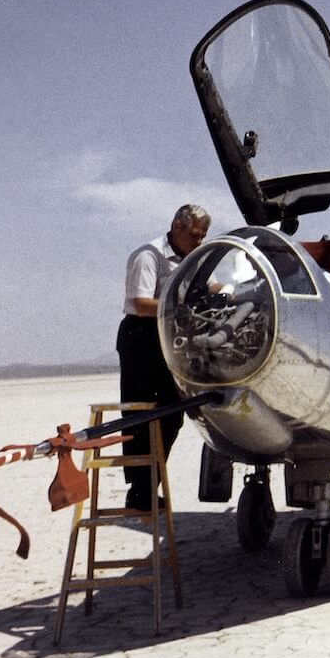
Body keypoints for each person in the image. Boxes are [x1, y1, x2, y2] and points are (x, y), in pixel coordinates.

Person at [118, 204, 210, 511]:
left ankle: (149, 484)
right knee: (141, 413)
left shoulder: (190, 259)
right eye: (195, 235)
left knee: (172, 414)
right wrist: (176, 308)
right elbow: (139, 302)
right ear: (177, 226)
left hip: (168, 337)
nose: (198, 242)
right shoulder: (149, 255)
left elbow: (201, 286)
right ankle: (139, 490)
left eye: (203, 236)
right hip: (141, 337)